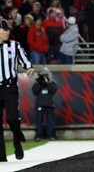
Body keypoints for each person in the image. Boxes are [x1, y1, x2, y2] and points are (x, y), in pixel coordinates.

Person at [0, 19, 35, 161]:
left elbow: (24, 60)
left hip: (9, 87)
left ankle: (17, 140)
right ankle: (1, 155)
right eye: (4, 30)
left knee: (12, 118)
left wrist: (29, 68)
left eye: (8, 30)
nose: (7, 32)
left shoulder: (15, 46)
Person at [32, 67, 58, 141]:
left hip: (49, 104)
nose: (45, 76)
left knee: (50, 122)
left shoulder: (52, 82)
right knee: (39, 121)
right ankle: (38, 136)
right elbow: (35, 91)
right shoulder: (37, 83)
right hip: (40, 104)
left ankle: (50, 135)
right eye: (43, 75)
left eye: (46, 75)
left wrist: (48, 83)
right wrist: (40, 83)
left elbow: (53, 91)